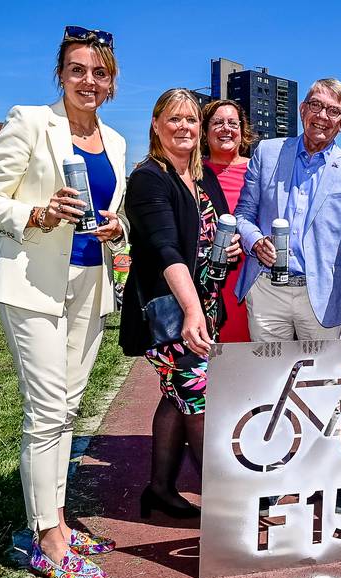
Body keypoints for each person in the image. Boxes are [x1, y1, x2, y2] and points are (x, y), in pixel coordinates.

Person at [0, 25, 126, 578]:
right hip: (33, 282)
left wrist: (116, 226)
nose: (89, 80)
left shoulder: (117, 140)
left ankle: (57, 518)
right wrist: (37, 213)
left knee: (70, 407)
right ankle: (46, 536)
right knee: (46, 409)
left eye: (99, 72)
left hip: (90, 281)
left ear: (111, 82)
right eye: (78, 70)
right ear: (60, 74)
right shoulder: (30, 121)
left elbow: (116, 213)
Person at [118, 88, 240, 520]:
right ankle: (228, 508)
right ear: (156, 125)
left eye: (191, 119)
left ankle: (160, 490)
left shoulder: (203, 178)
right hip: (170, 316)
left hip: (203, 310)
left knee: (177, 399)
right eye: (174, 119)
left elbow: (218, 233)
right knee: (202, 401)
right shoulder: (150, 177)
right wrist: (191, 309)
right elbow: (164, 249)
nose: (184, 127)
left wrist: (230, 246)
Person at [233, 78, 341, 341]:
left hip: (324, 296)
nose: (322, 116)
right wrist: (255, 241)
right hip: (267, 291)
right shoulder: (267, 153)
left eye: (333, 111)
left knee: (321, 380)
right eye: (315, 105)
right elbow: (243, 214)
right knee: (270, 377)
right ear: (303, 109)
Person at [202, 99, 256, 342]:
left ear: (242, 131)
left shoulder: (258, 170)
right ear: (205, 131)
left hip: (252, 277)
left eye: (233, 123)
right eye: (218, 123)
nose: (226, 128)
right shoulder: (193, 172)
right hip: (208, 279)